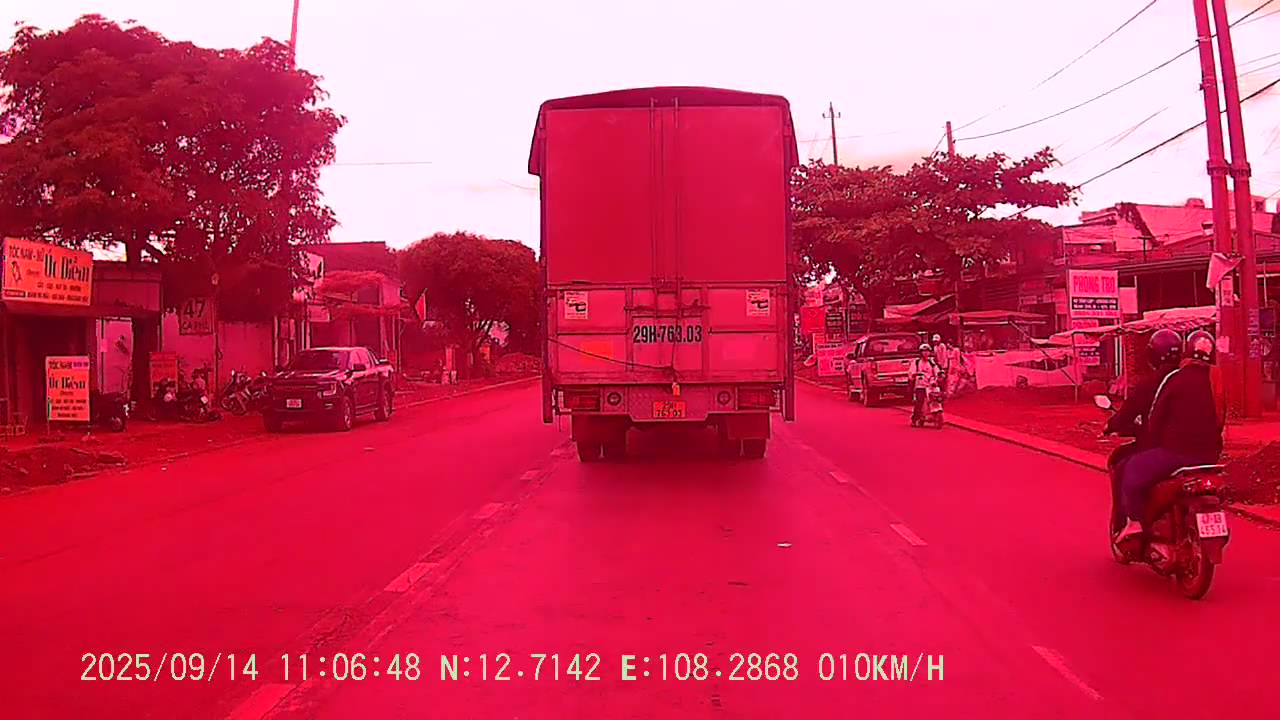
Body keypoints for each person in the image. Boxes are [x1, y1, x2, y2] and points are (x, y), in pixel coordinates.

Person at [1115, 330, 1225, 542]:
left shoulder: (1174, 379)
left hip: (1177, 454)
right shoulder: (1217, 379)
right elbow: (1221, 417)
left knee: (1132, 469)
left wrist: (1154, 439)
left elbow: (1156, 416)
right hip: (1210, 456)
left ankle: (1135, 522)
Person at [1104, 329, 1183, 534]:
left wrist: (1111, 425)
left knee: (1126, 467)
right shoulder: (1190, 379)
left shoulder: (1150, 384)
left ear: (1152, 355)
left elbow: (1127, 414)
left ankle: (1132, 520)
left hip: (1164, 447)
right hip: (1202, 450)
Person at [909, 343, 943, 424]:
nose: (926, 353)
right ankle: (915, 418)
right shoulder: (916, 362)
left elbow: (936, 369)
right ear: (921, 353)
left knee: (936, 399)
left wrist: (940, 374)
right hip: (920, 385)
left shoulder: (931, 362)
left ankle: (934, 413)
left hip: (931, 384)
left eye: (927, 351)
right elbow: (911, 371)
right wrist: (914, 374)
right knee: (919, 401)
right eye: (924, 351)